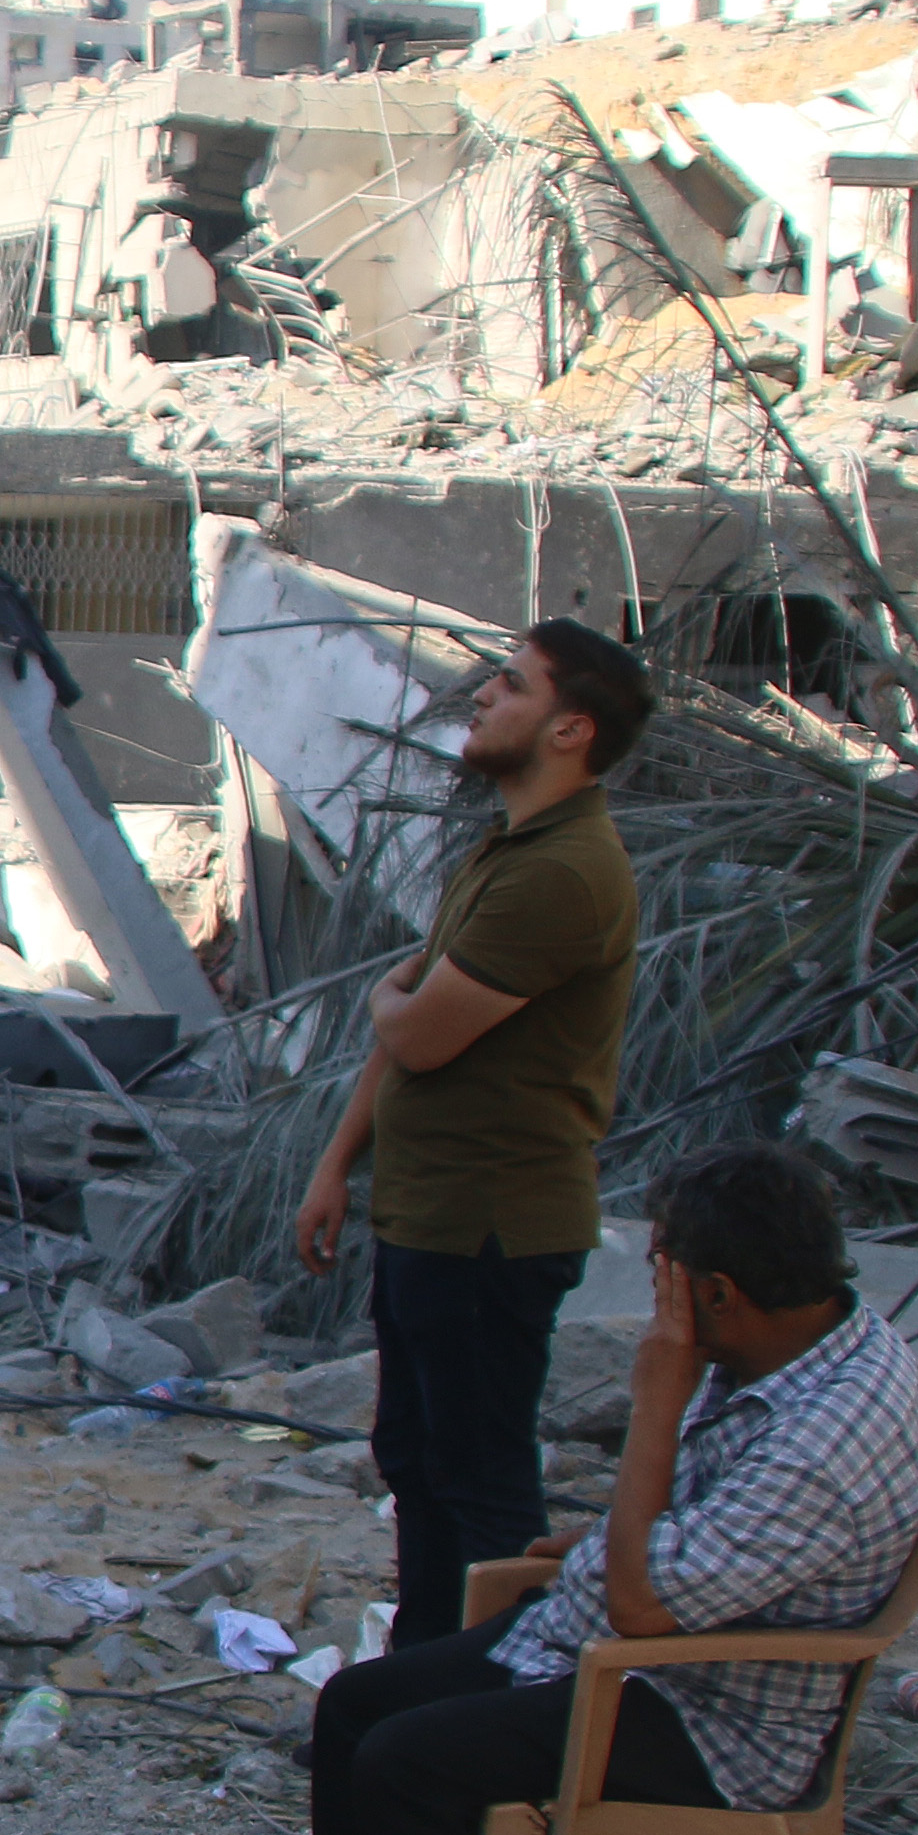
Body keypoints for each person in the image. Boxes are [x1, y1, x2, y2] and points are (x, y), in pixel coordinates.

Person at [216, 1142, 918, 1835]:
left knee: (409, 1763)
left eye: (665, 1279)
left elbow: (644, 1609)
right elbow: (689, 1549)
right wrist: (606, 1540)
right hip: (640, 1644)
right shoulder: (795, 1345)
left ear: (718, 1293)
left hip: (706, 1712)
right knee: (356, 1706)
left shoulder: (822, 1441)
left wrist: (655, 1397)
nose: (659, 1306)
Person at [292, 617, 654, 1643]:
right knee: (415, 1461)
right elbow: (409, 1034)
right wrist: (334, 1164)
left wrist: (381, 997)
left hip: (492, 1227)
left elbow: (417, 1030)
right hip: (429, 1217)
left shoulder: (561, 873)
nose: (482, 696)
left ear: (570, 729)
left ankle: (505, 1684)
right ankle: (421, 1671)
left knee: (480, 1481)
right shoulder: (506, 849)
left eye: (512, 684)